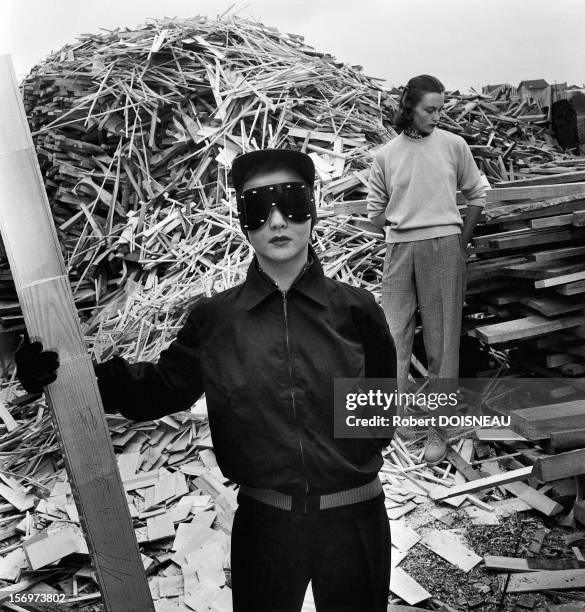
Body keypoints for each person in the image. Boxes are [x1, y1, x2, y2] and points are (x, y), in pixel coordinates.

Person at [16, 149, 396, 612]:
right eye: (260, 206)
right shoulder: (217, 321)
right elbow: (157, 389)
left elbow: (380, 414)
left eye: (292, 203)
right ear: (243, 220)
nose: (277, 221)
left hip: (354, 519)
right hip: (267, 526)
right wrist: (69, 374)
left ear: (312, 208)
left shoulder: (356, 311)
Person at [367, 75, 488, 465]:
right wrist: (402, 224)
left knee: (441, 342)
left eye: (440, 110)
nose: (437, 116)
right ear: (409, 108)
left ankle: (440, 429)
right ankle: (396, 420)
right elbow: (374, 212)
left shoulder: (454, 146)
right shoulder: (386, 155)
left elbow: (478, 192)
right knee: (393, 336)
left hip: (444, 249)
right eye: (429, 110)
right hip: (399, 250)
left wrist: (460, 240)